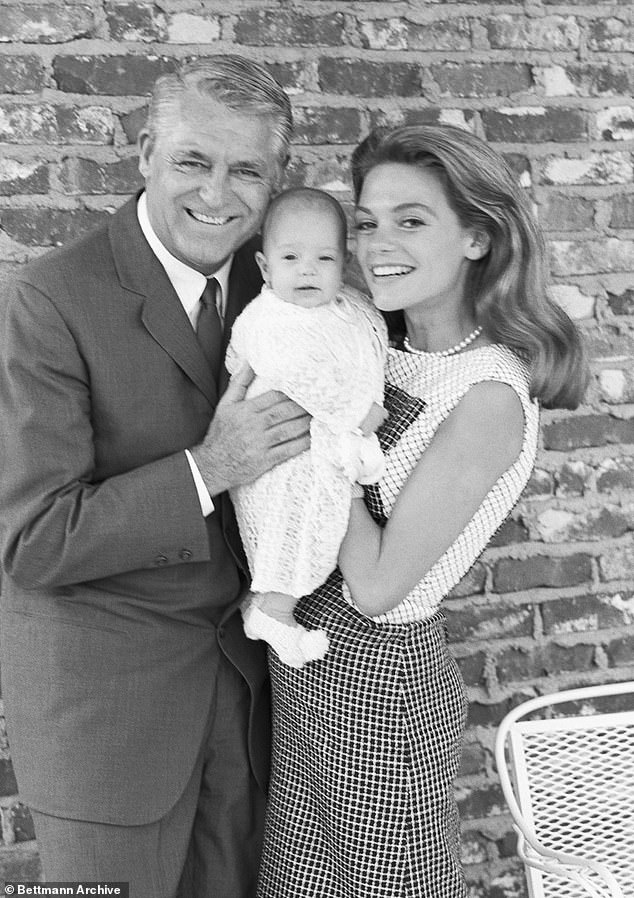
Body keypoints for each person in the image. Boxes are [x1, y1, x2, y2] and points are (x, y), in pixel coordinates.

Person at [0, 55, 310, 898]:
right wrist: (211, 467)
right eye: (193, 161)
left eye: (246, 169)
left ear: (277, 179)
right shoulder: (49, 299)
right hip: (107, 728)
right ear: (144, 154)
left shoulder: (280, 284)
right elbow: (34, 541)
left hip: (246, 707)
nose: (219, 193)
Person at [255, 124, 590, 898]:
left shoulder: (487, 396)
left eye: (413, 220)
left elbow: (377, 586)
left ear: (478, 237)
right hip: (307, 670)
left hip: (384, 687)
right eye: (367, 222)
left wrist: (314, 425)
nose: (377, 244)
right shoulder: (376, 343)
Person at [226, 187, 387, 669]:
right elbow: (304, 382)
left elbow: (367, 351)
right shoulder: (272, 319)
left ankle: (270, 606)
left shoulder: (346, 309)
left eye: (324, 257)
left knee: (317, 519)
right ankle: (275, 610)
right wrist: (360, 419)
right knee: (293, 523)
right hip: (281, 452)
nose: (308, 269)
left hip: (320, 443)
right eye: (291, 257)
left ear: (344, 263)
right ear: (264, 267)